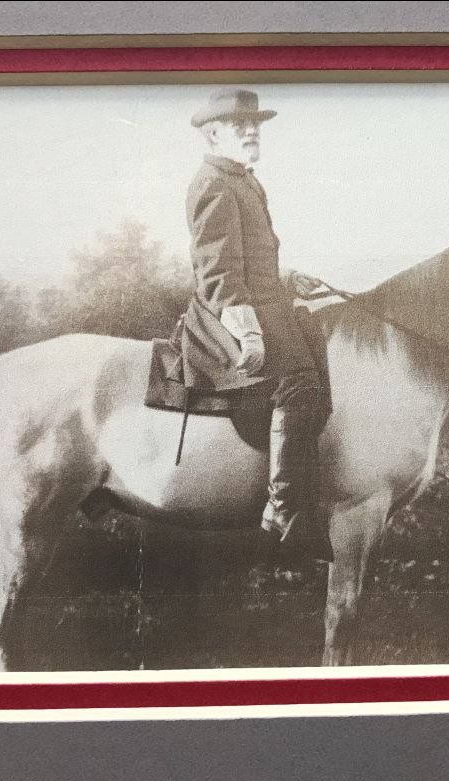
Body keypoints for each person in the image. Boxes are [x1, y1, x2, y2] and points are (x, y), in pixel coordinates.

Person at [178, 88, 333, 564]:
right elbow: (217, 270)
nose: (251, 130)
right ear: (213, 133)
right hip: (228, 311)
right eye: (239, 123)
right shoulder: (213, 182)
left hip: (261, 300)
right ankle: (284, 510)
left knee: (320, 349)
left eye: (255, 124)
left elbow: (249, 257)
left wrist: (286, 279)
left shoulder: (243, 179)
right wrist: (245, 327)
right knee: (300, 383)